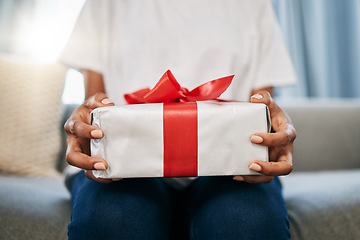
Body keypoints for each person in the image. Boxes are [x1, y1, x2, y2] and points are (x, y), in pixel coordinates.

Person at [60, 0, 297, 239]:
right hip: (123, 162)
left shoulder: (253, 5)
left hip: (231, 165)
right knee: (109, 221)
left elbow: (261, 106)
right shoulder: (105, 4)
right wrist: (89, 131)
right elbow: (95, 103)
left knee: (249, 225)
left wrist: (273, 131)